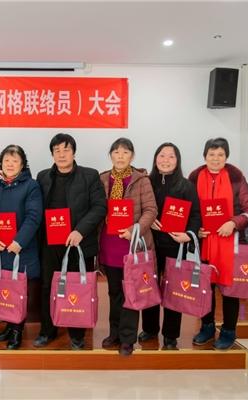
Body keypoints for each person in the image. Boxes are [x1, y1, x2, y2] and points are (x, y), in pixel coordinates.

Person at [34, 133, 107, 350]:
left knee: (77, 288)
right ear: (52, 154)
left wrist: (79, 231)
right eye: (57, 150)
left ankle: (77, 334)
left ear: (74, 152)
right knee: (48, 287)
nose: (61, 154)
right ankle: (47, 331)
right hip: (50, 243)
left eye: (66, 150)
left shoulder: (89, 175)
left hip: (79, 243)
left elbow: (99, 207)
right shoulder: (43, 176)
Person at [188, 137, 248, 350]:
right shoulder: (194, 178)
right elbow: (188, 209)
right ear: (205, 156)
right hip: (204, 243)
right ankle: (207, 327)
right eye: (212, 154)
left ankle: (228, 331)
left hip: (231, 243)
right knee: (205, 288)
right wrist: (196, 228)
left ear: (226, 157)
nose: (216, 158)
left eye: (220, 154)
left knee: (230, 290)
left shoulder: (236, 178)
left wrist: (233, 223)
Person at [99, 137, 157, 356]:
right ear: (111, 155)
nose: (120, 156)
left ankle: (127, 338)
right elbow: (97, 207)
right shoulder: (103, 178)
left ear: (132, 156)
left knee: (131, 293)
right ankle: (114, 333)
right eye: (116, 152)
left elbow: (151, 210)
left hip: (132, 245)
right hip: (109, 244)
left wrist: (135, 229)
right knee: (114, 292)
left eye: (125, 152)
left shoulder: (141, 180)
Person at [140, 143, 201, 350]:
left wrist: (188, 235)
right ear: (155, 158)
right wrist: (147, 220)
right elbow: (139, 208)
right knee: (149, 286)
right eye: (162, 155)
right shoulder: (146, 182)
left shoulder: (186, 186)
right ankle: (149, 328)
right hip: (150, 244)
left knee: (174, 290)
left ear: (178, 160)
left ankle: (171, 334)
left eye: (171, 156)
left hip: (176, 246)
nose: (165, 160)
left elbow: (195, 215)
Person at [0, 145, 43, 350]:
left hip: (21, 248)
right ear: (0, 163)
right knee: (4, 289)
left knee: (18, 290)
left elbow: (33, 217)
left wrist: (19, 241)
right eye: (6, 161)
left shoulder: (31, 186)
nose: (10, 164)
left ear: (22, 164)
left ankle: (18, 330)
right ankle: (9, 326)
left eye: (15, 161)